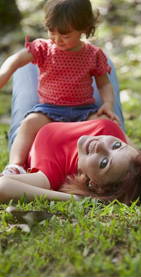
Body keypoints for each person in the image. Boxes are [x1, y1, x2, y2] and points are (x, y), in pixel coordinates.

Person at [0, 0, 120, 175]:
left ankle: (127, 159)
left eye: (65, 35)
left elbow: (104, 83)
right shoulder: (43, 48)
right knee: (29, 123)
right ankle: (15, 165)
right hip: (49, 110)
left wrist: (108, 104)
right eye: (51, 32)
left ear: (84, 29)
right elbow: (15, 60)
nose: (57, 40)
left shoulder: (93, 55)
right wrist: (4, 74)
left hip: (84, 110)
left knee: (106, 124)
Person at [1, 117, 141, 205]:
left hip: (33, 118)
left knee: (26, 71)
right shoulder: (131, 164)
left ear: (94, 184)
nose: (100, 146)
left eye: (104, 163)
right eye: (116, 145)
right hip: (91, 102)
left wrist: (80, 200)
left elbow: (3, 187)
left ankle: (14, 164)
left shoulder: (52, 175)